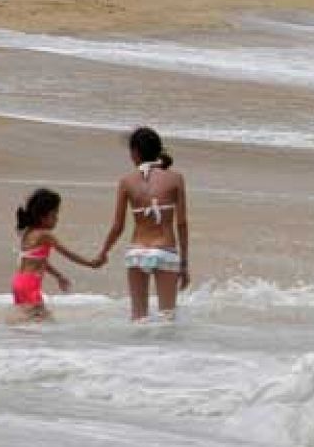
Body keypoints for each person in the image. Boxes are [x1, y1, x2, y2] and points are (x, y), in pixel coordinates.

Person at [96, 127, 190, 322]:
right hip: (164, 250)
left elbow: (118, 226)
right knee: (167, 318)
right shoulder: (175, 178)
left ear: (135, 152)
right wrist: (184, 263)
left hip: (137, 252)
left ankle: (138, 353)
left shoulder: (126, 182)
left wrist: (103, 252)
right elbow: (181, 223)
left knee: (138, 319)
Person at [12, 188, 102, 323]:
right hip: (30, 284)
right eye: (54, 214)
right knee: (45, 321)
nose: (57, 219)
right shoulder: (45, 235)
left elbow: (39, 261)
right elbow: (67, 253)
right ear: (43, 217)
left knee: (29, 320)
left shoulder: (27, 233)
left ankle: (13, 340)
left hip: (18, 282)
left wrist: (58, 276)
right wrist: (91, 263)